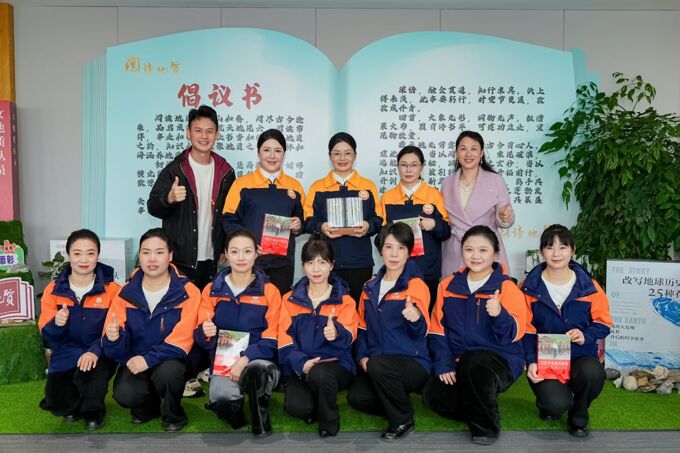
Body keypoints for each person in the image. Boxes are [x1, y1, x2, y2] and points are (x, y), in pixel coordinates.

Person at [423, 225, 527, 445]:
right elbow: (437, 329)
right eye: (469, 249)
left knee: (474, 362)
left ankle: (486, 428)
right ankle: (480, 402)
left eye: (483, 250)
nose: (475, 256)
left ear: (495, 253)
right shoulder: (447, 286)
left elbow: (514, 334)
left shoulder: (507, 288)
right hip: (459, 360)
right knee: (432, 396)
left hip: (501, 358)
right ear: (461, 251)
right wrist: (444, 364)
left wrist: (500, 314)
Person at [102, 228, 201, 432]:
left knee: (169, 374)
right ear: (139, 256)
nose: (152, 259)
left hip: (172, 359)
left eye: (159, 252)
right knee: (124, 394)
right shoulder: (125, 292)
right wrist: (114, 339)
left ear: (170, 256)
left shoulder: (188, 291)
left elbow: (182, 340)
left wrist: (148, 360)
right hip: (136, 358)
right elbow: (113, 346)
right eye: (146, 252)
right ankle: (148, 408)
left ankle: (174, 414)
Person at [521, 224, 612, 437]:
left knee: (592, 374)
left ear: (572, 250)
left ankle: (579, 415)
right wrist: (531, 361)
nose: (556, 253)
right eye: (549, 247)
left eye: (562, 247)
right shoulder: (528, 288)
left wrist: (585, 335)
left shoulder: (589, 286)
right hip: (547, 361)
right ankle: (551, 403)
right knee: (554, 405)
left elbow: (604, 323)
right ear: (541, 251)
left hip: (581, 356)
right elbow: (524, 330)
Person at [347, 222, 431, 440]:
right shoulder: (369, 286)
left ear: (409, 252)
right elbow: (362, 328)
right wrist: (362, 357)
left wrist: (416, 318)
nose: (394, 254)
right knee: (356, 397)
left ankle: (403, 420)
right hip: (378, 362)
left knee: (379, 365)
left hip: (412, 363)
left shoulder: (416, 285)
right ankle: (398, 401)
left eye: (401, 248)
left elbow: (422, 332)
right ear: (381, 250)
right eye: (389, 247)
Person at [194, 229, 281, 436]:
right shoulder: (211, 290)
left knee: (257, 372)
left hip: (258, 359)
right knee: (221, 399)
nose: (241, 257)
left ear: (256, 253)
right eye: (234, 251)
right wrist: (205, 332)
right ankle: (237, 406)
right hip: (224, 361)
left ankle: (260, 405)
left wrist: (245, 359)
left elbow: (273, 336)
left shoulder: (270, 291)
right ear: (226, 254)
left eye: (247, 251)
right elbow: (200, 338)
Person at [38, 229, 120, 430]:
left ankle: (94, 410)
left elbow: (115, 329)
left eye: (90, 253)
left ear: (98, 255)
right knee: (59, 404)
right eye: (77, 253)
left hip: (100, 353)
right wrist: (57, 324)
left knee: (90, 378)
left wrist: (94, 351)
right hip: (66, 352)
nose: (84, 259)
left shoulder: (113, 290)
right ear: (68, 255)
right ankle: (74, 402)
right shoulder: (53, 290)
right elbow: (46, 334)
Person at [147, 104, 235, 290]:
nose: (204, 136)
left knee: (208, 306)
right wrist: (169, 199)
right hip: (181, 259)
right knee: (182, 306)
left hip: (213, 259)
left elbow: (229, 215)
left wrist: (224, 247)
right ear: (188, 133)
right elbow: (153, 206)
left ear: (217, 134)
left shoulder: (226, 172)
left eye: (209, 131)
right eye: (198, 130)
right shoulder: (175, 170)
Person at [278, 235, 358, 437]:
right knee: (296, 407)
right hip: (303, 366)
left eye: (322, 262)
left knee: (320, 375)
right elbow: (284, 340)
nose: (316, 269)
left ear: (332, 265)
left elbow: (350, 334)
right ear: (303, 266)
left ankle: (329, 422)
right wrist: (302, 363)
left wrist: (336, 332)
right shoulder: (288, 300)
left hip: (335, 365)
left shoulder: (345, 300)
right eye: (310, 262)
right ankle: (315, 399)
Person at [222, 129, 305, 296]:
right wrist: (248, 244)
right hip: (249, 262)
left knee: (279, 305)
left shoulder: (294, 186)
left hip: (283, 264)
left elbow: (303, 219)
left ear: (284, 154)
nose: (272, 156)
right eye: (266, 150)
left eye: (278, 151)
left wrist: (298, 225)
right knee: (250, 306)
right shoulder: (242, 184)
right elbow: (228, 219)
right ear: (258, 152)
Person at [304, 132, 382, 305]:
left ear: (355, 155)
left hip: (360, 262)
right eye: (337, 153)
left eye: (347, 153)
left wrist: (368, 226)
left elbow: (379, 220)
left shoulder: (368, 186)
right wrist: (321, 227)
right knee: (328, 309)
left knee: (358, 309)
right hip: (326, 262)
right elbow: (307, 221)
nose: (342, 158)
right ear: (329, 156)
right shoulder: (318, 187)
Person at [378, 145, 451, 310]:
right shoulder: (388, 197)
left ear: (422, 167)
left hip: (427, 271)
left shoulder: (434, 195)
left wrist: (434, 225)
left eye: (414, 165)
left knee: (424, 315)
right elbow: (380, 236)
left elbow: (446, 232)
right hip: (396, 270)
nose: (408, 170)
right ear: (398, 167)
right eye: (404, 165)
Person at [440, 131, 514, 276]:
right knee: (454, 288)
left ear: (481, 153)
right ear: (456, 152)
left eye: (473, 149)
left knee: (490, 288)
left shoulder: (495, 180)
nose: (468, 154)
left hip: (486, 247)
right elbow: (444, 218)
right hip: (456, 249)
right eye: (463, 149)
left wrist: (504, 217)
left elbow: (505, 216)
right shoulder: (447, 183)